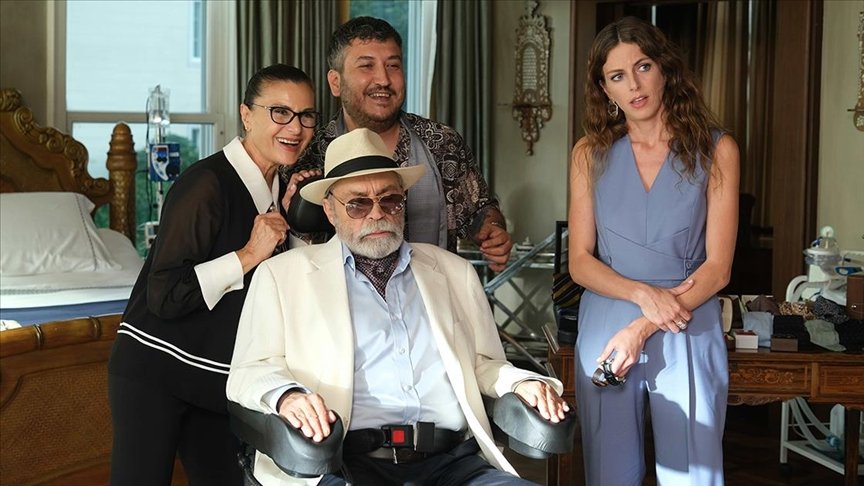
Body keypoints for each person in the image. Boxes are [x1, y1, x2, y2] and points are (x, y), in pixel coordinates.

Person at [227, 128, 569, 485]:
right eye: (358, 203)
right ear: (330, 210)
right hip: (342, 464)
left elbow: (484, 363)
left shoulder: (455, 272)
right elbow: (248, 372)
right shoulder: (283, 276)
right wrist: (287, 397)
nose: (376, 214)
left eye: (389, 200)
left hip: (452, 463)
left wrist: (521, 382)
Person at [108, 64, 320, 485]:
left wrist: (295, 220)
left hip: (215, 381)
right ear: (246, 115)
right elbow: (164, 294)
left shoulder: (280, 191)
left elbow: (282, 286)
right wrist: (248, 254)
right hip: (154, 372)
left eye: (306, 115)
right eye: (280, 112)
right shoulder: (205, 183)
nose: (295, 128)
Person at [567, 17, 739, 486]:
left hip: (688, 315)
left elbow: (719, 268)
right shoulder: (588, 154)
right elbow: (580, 261)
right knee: (610, 472)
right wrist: (642, 296)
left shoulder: (717, 149)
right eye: (617, 75)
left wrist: (645, 323)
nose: (634, 85)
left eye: (643, 66)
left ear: (664, 69)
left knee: (694, 474)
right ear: (604, 88)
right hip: (606, 321)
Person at [291, 16, 513, 271]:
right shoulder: (309, 153)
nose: (383, 80)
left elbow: (479, 210)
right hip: (337, 295)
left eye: (393, 66)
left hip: (430, 291)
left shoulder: (441, 142)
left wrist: (492, 229)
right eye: (367, 66)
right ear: (335, 82)